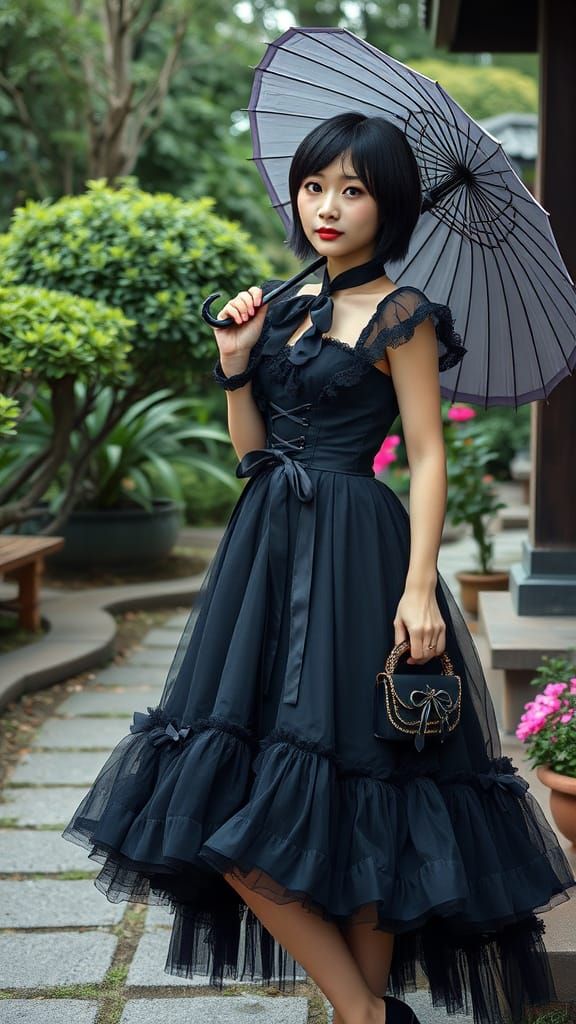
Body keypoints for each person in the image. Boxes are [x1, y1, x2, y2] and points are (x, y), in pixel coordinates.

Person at [62, 113, 575, 1024]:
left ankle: (359, 1012)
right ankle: (369, 1014)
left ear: (389, 205)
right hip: (265, 551)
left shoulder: (403, 317)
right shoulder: (283, 311)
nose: (328, 206)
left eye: (353, 189)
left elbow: (427, 456)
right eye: (314, 186)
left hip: (357, 556)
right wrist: (233, 367)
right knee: (234, 801)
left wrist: (420, 590)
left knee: (370, 781)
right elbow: (252, 456)